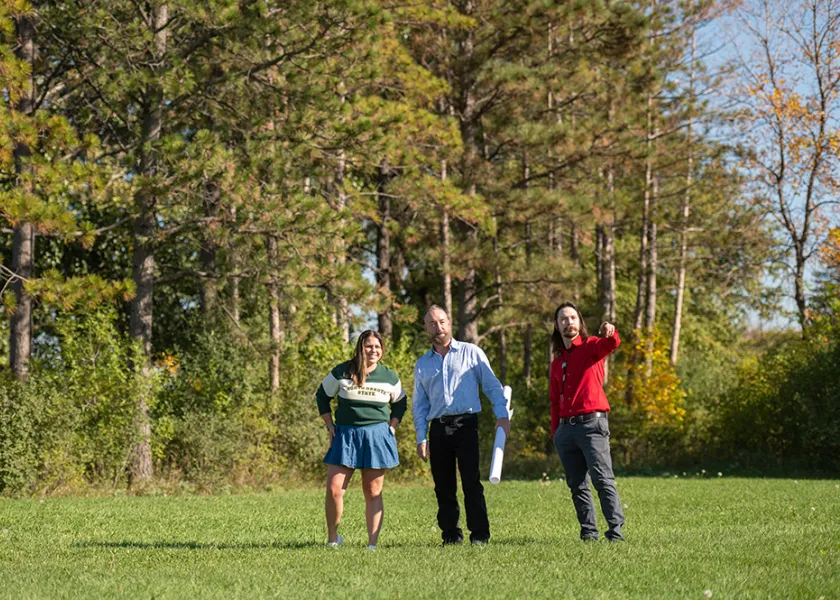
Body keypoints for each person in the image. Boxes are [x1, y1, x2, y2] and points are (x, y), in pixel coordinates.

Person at [412, 305, 511, 546]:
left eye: (442, 321)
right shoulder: (423, 364)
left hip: (467, 425)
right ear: (426, 328)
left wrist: (502, 416)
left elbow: (492, 386)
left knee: (471, 482)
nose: (439, 327)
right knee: (443, 486)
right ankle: (451, 536)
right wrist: (421, 437)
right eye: (433, 323)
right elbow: (420, 404)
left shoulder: (472, 353)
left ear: (450, 322)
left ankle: (479, 534)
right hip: (438, 428)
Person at [317, 330, 406, 550]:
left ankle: (372, 544)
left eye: (377, 347)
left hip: (377, 436)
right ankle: (332, 539)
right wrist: (330, 426)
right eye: (369, 346)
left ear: (382, 350)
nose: (373, 350)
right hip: (346, 435)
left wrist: (392, 428)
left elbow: (401, 403)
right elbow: (322, 396)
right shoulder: (342, 371)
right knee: (334, 489)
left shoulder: (390, 377)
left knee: (373, 491)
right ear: (360, 348)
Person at [550, 302, 625, 542]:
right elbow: (554, 402)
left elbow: (611, 344)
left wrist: (610, 331)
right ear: (557, 325)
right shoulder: (556, 363)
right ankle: (589, 533)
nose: (568, 322)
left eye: (573, 317)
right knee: (577, 485)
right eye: (563, 318)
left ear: (579, 322)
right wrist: (556, 433)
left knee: (602, 479)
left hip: (592, 425)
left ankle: (615, 533)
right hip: (565, 430)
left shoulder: (592, 346)